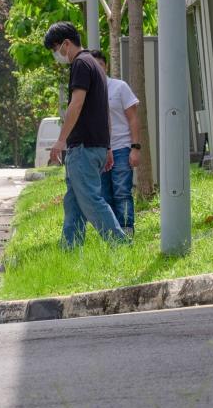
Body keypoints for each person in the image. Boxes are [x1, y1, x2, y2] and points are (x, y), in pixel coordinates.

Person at [44, 22, 127, 248]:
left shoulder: (80, 64)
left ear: (66, 43)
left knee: (90, 201)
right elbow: (104, 112)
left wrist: (60, 141)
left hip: (84, 148)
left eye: (55, 49)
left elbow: (76, 105)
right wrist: (107, 146)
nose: (56, 55)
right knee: (73, 203)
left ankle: (120, 245)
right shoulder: (95, 65)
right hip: (96, 145)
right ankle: (70, 249)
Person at [90, 50, 141, 237]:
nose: (97, 69)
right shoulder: (87, 92)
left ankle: (127, 230)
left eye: (100, 65)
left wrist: (135, 148)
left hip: (121, 148)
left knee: (122, 192)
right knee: (104, 195)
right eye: (93, 66)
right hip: (99, 151)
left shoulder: (120, 87)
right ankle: (112, 233)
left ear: (106, 66)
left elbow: (133, 119)